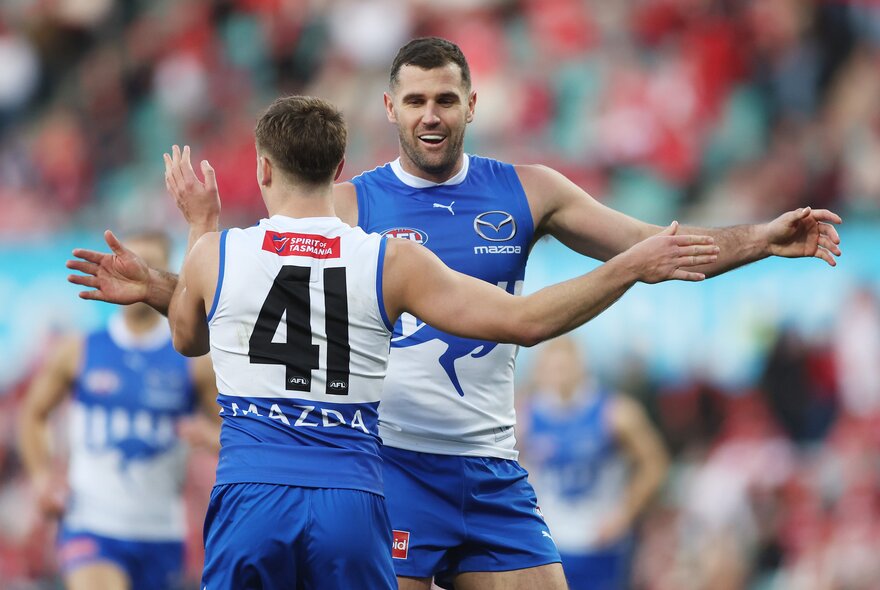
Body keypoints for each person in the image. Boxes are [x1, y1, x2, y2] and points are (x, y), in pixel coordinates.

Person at [75, 38, 842, 590]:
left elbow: (660, 249)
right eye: (415, 101)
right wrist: (158, 285)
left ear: (473, 102)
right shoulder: (351, 203)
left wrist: (763, 240)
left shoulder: (529, 191)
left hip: (489, 467)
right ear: (391, 109)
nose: (431, 114)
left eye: (446, 98)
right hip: (387, 465)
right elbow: (259, 298)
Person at [18, 231, 219, 590]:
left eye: (150, 264)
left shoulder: (192, 361)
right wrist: (40, 478)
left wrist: (211, 437)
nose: (136, 271)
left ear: (167, 272)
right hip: (91, 524)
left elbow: (237, 434)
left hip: (160, 531)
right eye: (127, 260)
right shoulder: (79, 349)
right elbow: (33, 413)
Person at [518, 337, 669, 590]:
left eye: (564, 368)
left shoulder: (616, 412)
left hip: (600, 540)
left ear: (581, 367)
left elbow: (655, 463)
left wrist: (625, 513)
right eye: (551, 369)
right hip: (548, 542)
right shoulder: (522, 414)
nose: (558, 377)